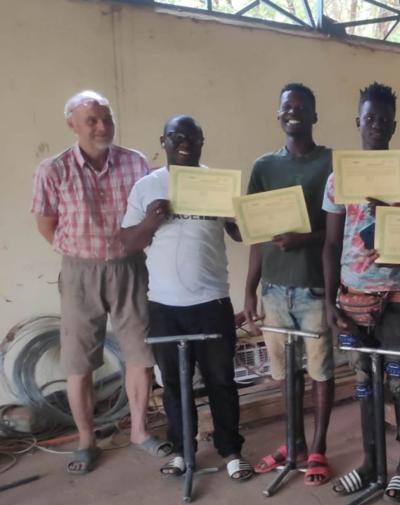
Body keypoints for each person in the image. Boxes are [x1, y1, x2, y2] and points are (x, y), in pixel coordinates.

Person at [31, 90, 168, 474]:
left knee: (140, 354)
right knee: (79, 361)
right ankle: (87, 439)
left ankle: (140, 431)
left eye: (106, 118)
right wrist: (77, 250)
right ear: (72, 124)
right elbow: (45, 223)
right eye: (91, 120)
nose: (102, 126)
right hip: (80, 273)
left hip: (130, 267)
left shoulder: (135, 162)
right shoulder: (53, 169)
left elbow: (147, 214)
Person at [119, 115, 253, 481]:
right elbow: (127, 243)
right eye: (176, 136)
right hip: (165, 305)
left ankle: (231, 450)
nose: (184, 142)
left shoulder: (217, 184)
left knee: (221, 380)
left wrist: (241, 214)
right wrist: (149, 222)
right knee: (175, 385)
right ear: (162, 140)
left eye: (191, 137)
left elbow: (241, 234)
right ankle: (183, 450)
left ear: (201, 142)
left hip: (212, 301)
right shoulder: (147, 186)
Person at [323, 82, 400, 503]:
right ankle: (371, 464)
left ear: (394, 125)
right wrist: (330, 300)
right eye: (370, 118)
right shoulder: (339, 177)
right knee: (363, 384)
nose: (377, 125)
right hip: (352, 298)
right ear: (358, 122)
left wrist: (394, 215)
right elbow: (332, 243)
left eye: (385, 119)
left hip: (396, 299)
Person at [244, 83, 335, 486]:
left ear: (315, 116)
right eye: (286, 107)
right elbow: (256, 234)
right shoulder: (264, 166)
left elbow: (340, 230)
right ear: (278, 114)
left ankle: (318, 448)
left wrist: (304, 238)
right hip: (275, 289)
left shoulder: (332, 163)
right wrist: (249, 288)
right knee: (284, 374)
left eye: (301, 107)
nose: (293, 112)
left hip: (315, 286)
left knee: (320, 371)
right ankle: (291, 443)